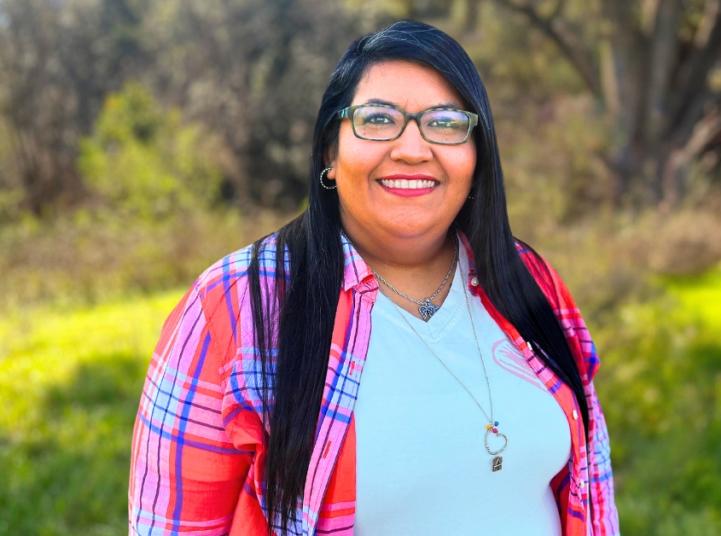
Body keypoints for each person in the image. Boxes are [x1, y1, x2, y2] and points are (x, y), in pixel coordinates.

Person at [128, 20, 618, 536]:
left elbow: (592, 488)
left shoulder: (527, 278)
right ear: (329, 153)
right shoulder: (234, 306)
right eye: (378, 119)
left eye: (446, 122)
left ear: (478, 155)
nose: (412, 149)